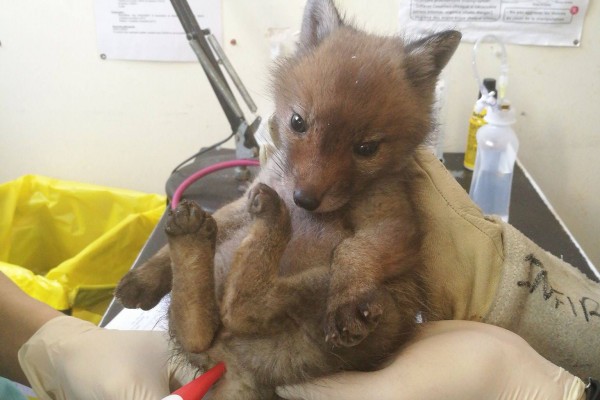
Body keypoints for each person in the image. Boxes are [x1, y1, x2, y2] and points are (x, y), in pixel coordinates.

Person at [1, 148, 598, 399]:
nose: (315, 177)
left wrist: (49, 340)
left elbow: (382, 245)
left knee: (222, 319)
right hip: (242, 348)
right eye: (301, 129)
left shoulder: (393, 194)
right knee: (222, 318)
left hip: (270, 336)